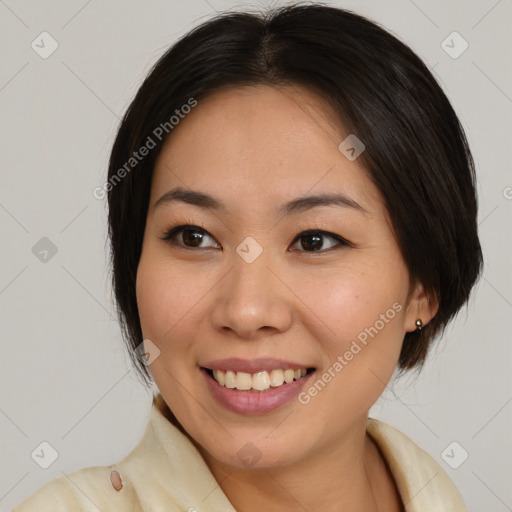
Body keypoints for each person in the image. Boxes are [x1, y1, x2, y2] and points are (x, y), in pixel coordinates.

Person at [14, 3, 482, 511]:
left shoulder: (432, 491)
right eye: (193, 237)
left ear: (424, 284)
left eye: (315, 241)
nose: (246, 311)